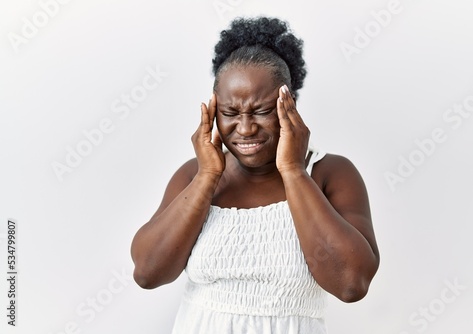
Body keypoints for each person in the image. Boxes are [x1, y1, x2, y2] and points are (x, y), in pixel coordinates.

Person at [131, 16, 380, 334]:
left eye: (262, 111)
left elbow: (350, 284)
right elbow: (147, 273)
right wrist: (208, 175)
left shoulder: (330, 173)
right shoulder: (194, 175)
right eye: (230, 113)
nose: (245, 128)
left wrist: (292, 170)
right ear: (213, 110)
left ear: (288, 104)